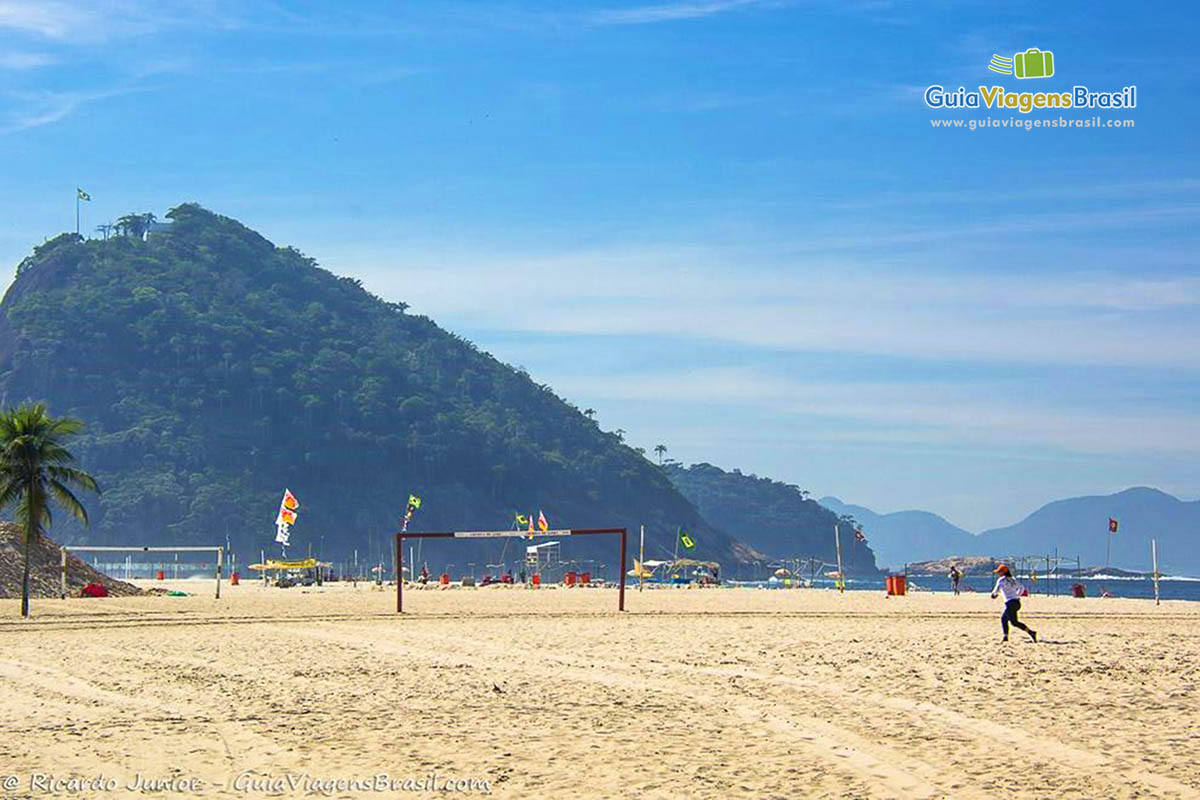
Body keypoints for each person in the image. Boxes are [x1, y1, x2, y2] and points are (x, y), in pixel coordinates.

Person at [991, 564, 1036, 642]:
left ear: (1003, 572)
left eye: (999, 572)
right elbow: (1022, 588)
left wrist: (994, 595)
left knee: (1014, 622)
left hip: (1010, 603)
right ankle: (1006, 637)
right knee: (1004, 619)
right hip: (1017, 602)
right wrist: (1017, 594)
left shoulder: (1001, 580)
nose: (998, 574)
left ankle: (1031, 632)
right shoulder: (1013, 579)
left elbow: (996, 591)